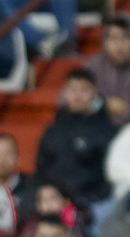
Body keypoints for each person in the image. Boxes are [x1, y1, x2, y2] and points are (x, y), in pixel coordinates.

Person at [34, 69, 117, 209]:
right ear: (64, 92)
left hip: (94, 202)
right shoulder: (53, 130)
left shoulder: (107, 131)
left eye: (84, 90)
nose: (77, 95)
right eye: (72, 89)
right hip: (55, 202)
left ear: (95, 93)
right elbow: (41, 168)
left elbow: (111, 174)